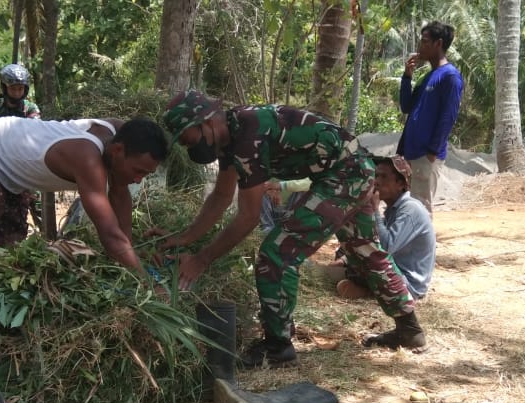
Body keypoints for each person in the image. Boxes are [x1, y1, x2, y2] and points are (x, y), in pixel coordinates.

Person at [160, 90, 427, 367]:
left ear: (204, 122)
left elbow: (249, 216)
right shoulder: (232, 136)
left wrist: (201, 260)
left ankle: (277, 346)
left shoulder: (247, 136)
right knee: (365, 249)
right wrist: (184, 238)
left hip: (345, 173)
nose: (186, 146)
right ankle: (410, 330)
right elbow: (221, 197)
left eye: (186, 137)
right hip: (348, 170)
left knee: (278, 251)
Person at [0, 116, 167, 277]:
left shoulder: (119, 136)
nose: (139, 179)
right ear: (118, 151)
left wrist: (131, 253)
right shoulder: (88, 159)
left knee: (4, 255)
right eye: (139, 171)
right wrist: (145, 283)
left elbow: (119, 194)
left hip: (12, 175)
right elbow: (109, 235)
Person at [335, 156, 435, 300]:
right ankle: (358, 284)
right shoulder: (393, 209)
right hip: (395, 272)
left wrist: (374, 209)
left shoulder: (410, 209)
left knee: (364, 262)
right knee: (347, 250)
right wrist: (345, 259)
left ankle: (366, 291)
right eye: (375, 176)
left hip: (408, 285)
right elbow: (372, 241)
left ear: (401, 183)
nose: (376, 181)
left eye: (383, 177)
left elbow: (386, 247)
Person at [397, 21, 463, 215]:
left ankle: (422, 246)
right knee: (407, 207)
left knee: (420, 209)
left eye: (425, 42)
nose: (420, 46)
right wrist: (407, 77)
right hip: (411, 153)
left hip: (425, 155)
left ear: (438, 44)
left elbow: (448, 117)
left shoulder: (450, 76)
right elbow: (406, 106)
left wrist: (432, 152)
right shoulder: (429, 76)